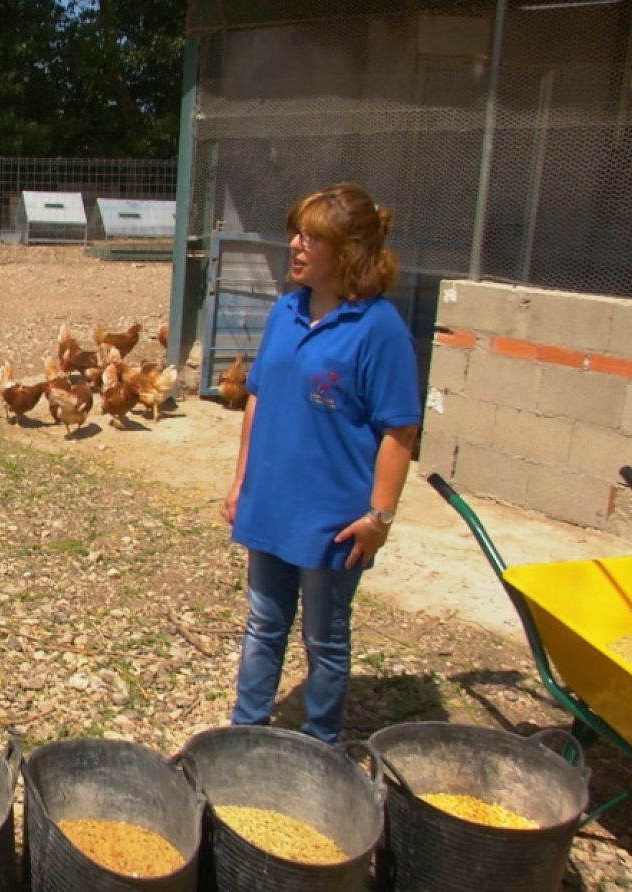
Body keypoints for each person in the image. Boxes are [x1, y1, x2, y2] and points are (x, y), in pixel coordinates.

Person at [220, 182, 422, 744]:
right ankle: (243, 736)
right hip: (270, 502)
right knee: (264, 625)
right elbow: (258, 397)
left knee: (324, 639)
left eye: (312, 237)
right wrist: (241, 481)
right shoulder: (286, 311)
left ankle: (320, 746)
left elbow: (400, 431)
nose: (295, 245)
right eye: (296, 233)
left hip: (333, 520)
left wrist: (379, 517)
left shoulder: (379, 329)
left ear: (348, 251)